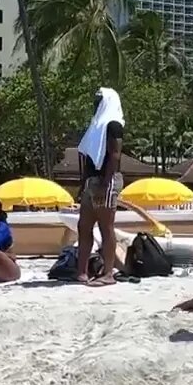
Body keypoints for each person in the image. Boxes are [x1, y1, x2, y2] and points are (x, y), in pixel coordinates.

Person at [75, 87, 125, 287]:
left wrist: (106, 181)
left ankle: (108, 273)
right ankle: (81, 271)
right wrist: (83, 185)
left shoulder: (113, 124)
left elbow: (114, 154)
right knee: (84, 226)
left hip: (106, 180)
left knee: (106, 226)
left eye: (99, 100)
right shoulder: (96, 125)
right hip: (92, 180)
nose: (95, 104)